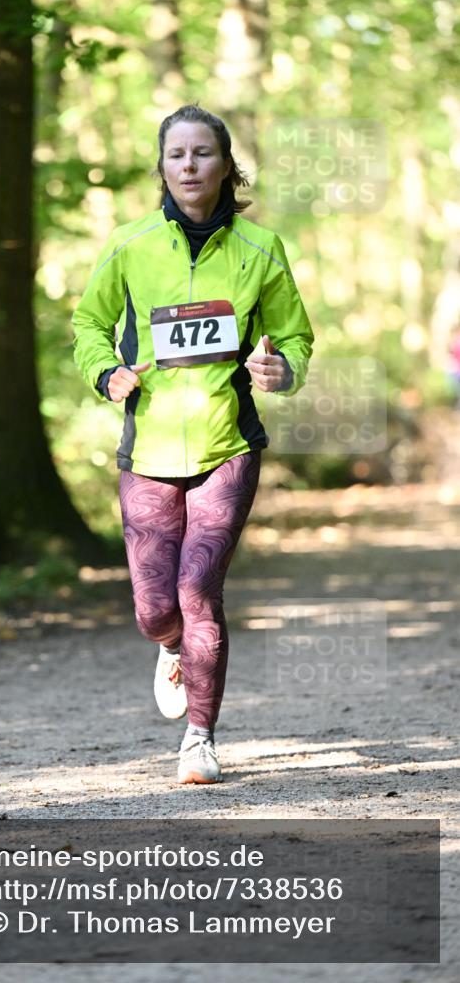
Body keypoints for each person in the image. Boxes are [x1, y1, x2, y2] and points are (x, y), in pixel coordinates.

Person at [72, 104, 313, 784]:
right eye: (176, 154)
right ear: (161, 166)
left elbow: (294, 335)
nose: (189, 166)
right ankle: (170, 644)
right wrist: (105, 372)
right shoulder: (128, 243)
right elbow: (87, 324)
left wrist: (279, 367)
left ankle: (199, 738)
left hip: (224, 446)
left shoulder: (261, 249)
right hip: (145, 450)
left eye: (202, 153)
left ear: (226, 165)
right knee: (156, 610)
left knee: (198, 588)